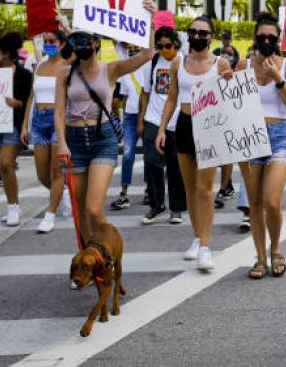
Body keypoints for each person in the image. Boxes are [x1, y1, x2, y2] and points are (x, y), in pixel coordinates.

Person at [55, 16, 155, 244]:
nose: (81, 45)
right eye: (76, 40)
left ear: (96, 43)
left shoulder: (110, 69)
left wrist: (150, 20)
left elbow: (147, 55)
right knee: (80, 212)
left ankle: (111, 248)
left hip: (103, 139)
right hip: (74, 140)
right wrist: (61, 143)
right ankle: (92, 257)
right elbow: (59, 112)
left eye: (85, 40)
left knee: (93, 209)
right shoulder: (65, 73)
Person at [156, 16, 233, 272]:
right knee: (189, 189)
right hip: (184, 125)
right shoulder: (178, 62)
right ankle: (197, 236)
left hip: (209, 127)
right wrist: (161, 129)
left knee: (204, 189)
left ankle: (206, 246)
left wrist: (229, 81)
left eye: (203, 33)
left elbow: (232, 99)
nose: (197, 36)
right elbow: (171, 99)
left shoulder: (220, 64)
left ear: (211, 36)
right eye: (193, 31)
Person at [237, 13, 286, 279]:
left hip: (277, 137)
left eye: (271, 37)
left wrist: (278, 78)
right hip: (250, 137)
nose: (266, 41)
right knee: (254, 204)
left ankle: (276, 247)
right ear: (255, 37)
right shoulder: (243, 65)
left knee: (271, 201)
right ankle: (260, 258)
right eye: (261, 37)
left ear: (278, 39)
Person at [20, 29, 72, 233]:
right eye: (46, 41)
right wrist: (25, 124)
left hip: (59, 119)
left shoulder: (67, 65)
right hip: (39, 121)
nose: (48, 44)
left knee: (56, 171)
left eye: (52, 41)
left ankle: (49, 215)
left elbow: (77, 47)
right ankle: (63, 193)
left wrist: (65, 26)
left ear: (61, 44)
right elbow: (31, 97)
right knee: (42, 174)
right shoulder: (40, 65)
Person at [137, 27, 187, 225]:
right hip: (153, 119)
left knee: (175, 168)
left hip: (176, 122)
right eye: (160, 46)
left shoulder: (184, 61)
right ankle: (156, 205)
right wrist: (141, 117)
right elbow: (145, 92)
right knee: (152, 165)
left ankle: (176, 209)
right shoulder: (152, 62)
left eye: (168, 46)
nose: (164, 50)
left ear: (176, 43)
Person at [0, 32, 32, 226]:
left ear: (6, 53)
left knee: (5, 163)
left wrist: (17, 103)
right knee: (3, 167)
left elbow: (29, 101)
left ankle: (14, 207)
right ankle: (12, 204)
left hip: (14, 125)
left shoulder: (24, 74)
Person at [109, 43, 151, 211]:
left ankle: (150, 189)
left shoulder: (150, 65)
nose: (133, 48)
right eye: (130, 46)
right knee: (127, 155)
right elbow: (121, 97)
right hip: (129, 117)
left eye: (136, 46)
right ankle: (124, 193)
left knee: (149, 155)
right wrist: (118, 120)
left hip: (148, 116)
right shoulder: (125, 68)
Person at [213, 30, 239, 203]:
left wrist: (233, 58)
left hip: (229, 101)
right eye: (223, 38)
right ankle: (227, 184)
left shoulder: (235, 52)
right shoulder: (215, 53)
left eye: (228, 38)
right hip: (215, 102)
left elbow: (238, 72)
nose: (226, 41)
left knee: (227, 149)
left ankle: (225, 186)